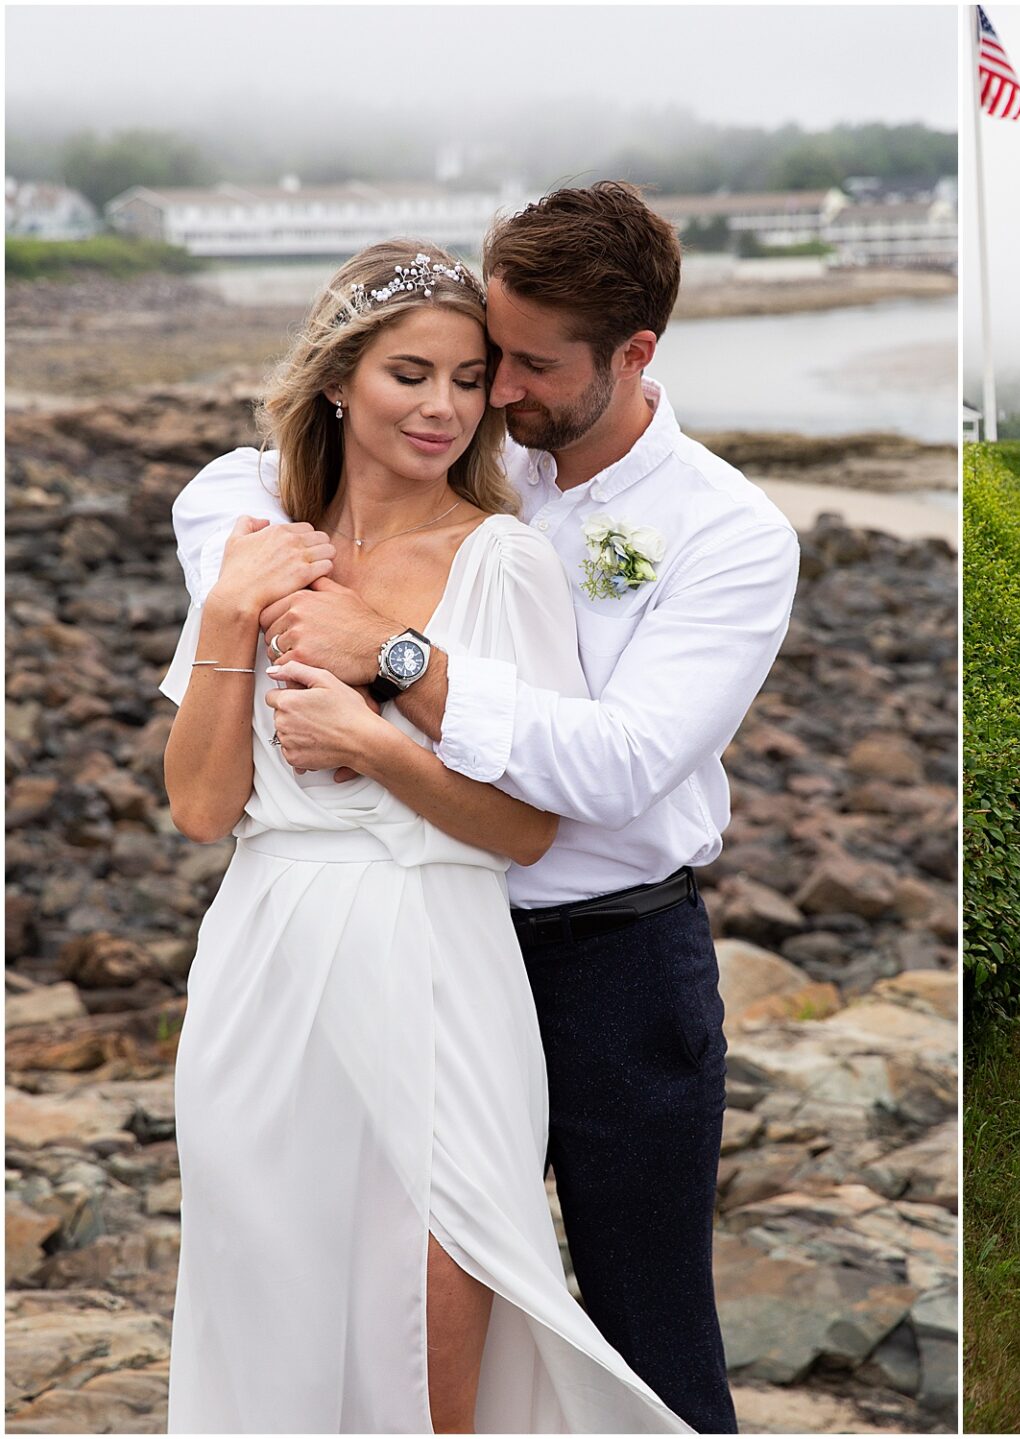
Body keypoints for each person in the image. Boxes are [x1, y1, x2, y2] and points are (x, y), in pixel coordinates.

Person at [172, 183, 800, 1432]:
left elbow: (617, 767)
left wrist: (389, 663)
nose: (490, 394)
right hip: (375, 940)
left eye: (522, 365)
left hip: (610, 956)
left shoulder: (727, 532)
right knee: (309, 1276)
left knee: (642, 1323)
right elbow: (248, 476)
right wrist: (245, 592)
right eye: (479, 358)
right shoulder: (468, 441)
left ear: (633, 354)